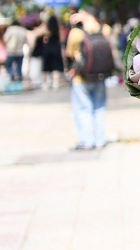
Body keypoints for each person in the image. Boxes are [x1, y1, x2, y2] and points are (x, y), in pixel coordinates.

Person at [65, 11, 116, 149]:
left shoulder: (76, 33)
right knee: (99, 107)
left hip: (81, 78)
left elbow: (69, 52)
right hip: (100, 75)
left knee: (83, 109)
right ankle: (100, 140)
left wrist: (73, 25)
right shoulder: (105, 29)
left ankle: (87, 141)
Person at [37, 14, 65, 90]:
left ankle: (45, 83)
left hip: (47, 48)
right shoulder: (58, 29)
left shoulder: (47, 28)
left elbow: (40, 34)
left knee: (45, 66)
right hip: (56, 48)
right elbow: (62, 39)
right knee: (56, 66)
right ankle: (55, 83)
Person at [3, 19, 28, 84]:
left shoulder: (10, 29)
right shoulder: (23, 30)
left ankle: (12, 76)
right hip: (20, 52)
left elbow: (5, 39)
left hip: (11, 51)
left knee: (8, 65)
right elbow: (25, 41)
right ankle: (20, 78)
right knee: (19, 66)